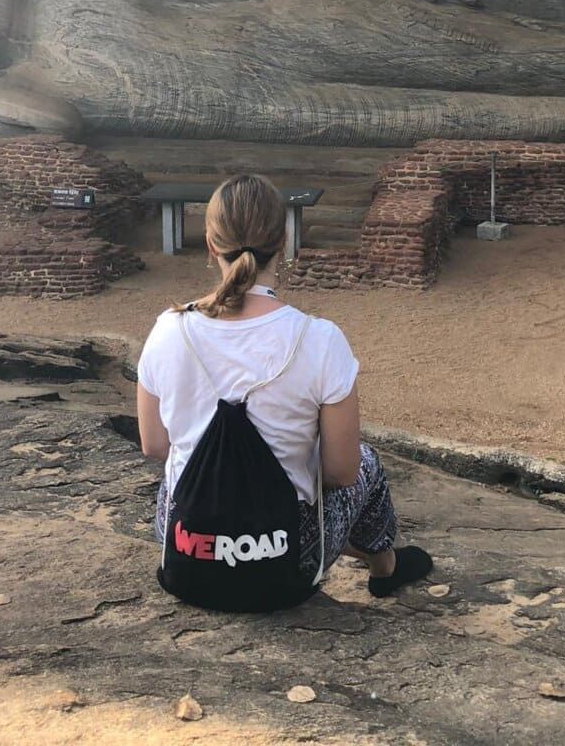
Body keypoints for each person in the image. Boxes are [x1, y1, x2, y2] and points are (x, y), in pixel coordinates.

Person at [136, 174, 433, 600]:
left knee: (183, 460)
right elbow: (340, 471)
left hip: (188, 552)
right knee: (366, 461)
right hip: (284, 564)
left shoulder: (169, 330)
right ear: (285, 238)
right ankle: (384, 566)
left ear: (210, 243)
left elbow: (155, 446)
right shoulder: (319, 338)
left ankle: (368, 557)